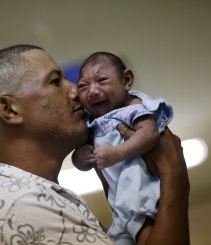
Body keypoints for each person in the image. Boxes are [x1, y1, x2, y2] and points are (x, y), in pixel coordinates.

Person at [0, 44, 190, 245]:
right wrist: (173, 174)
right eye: (55, 81)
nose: (76, 91)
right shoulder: (21, 205)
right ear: (10, 110)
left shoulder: (26, 198)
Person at [72, 52, 174, 244]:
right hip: (119, 204)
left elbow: (149, 134)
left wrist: (117, 153)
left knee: (145, 232)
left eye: (101, 80)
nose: (92, 91)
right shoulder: (91, 123)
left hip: (139, 192)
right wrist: (80, 158)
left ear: (126, 80)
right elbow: (83, 164)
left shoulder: (132, 107)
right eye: (83, 86)